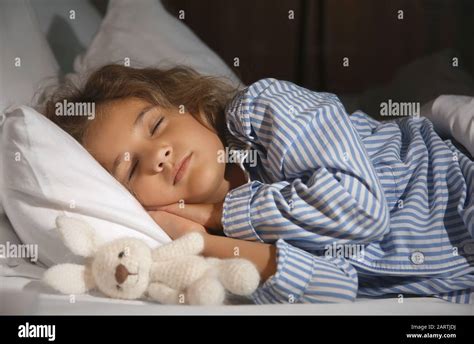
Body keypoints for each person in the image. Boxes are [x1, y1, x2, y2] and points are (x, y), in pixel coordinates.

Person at [44, 64, 474, 304]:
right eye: (131, 170)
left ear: (189, 107)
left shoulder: (263, 111)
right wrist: (203, 241)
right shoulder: (216, 243)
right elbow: (337, 288)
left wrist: (218, 213)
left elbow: (360, 211)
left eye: (155, 125)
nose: (157, 155)